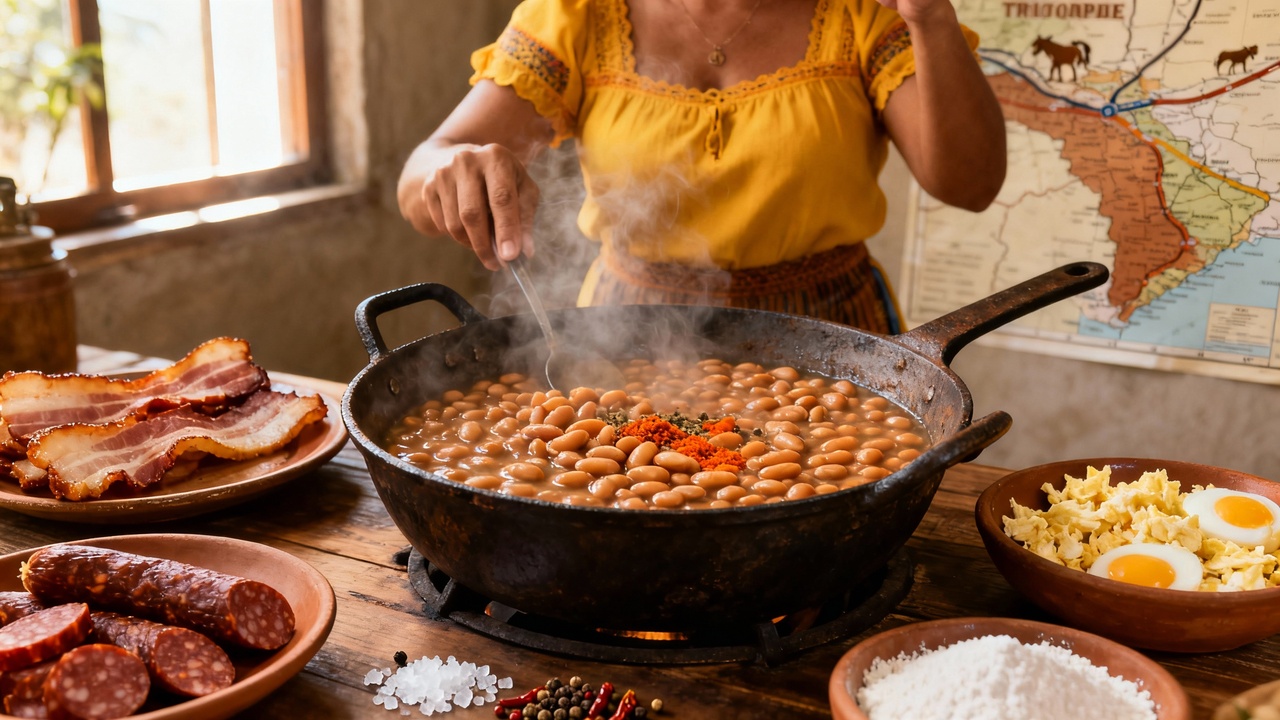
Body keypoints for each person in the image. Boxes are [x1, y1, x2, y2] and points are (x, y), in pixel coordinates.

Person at [397, 0, 1005, 333]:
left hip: (836, 335)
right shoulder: (579, 15)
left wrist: (931, 17)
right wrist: (451, 167)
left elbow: (971, 185)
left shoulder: (863, 14)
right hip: (624, 332)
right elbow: (419, 181)